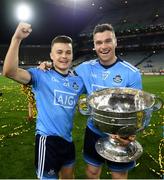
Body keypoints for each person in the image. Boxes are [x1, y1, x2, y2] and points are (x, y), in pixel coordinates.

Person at [38, 23, 142, 179]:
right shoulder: (84, 68)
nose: (103, 46)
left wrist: (130, 133)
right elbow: (64, 74)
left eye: (108, 41)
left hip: (120, 134)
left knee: (119, 175)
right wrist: (49, 65)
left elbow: (137, 110)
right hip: (94, 131)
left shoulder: (131, 73)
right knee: (92, 172)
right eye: (99, 42)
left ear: (115, 42)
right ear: (94, 45)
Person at [3, 22, 85, 179]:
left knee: (69, 177)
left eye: (68, 52)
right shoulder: (41, 76)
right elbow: (10, 72)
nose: (64, 56)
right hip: (47, 142)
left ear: (72, 55)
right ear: (51, 55)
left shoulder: (78, 82)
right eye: (59, 52)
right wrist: (17, 38)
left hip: (67, 140)